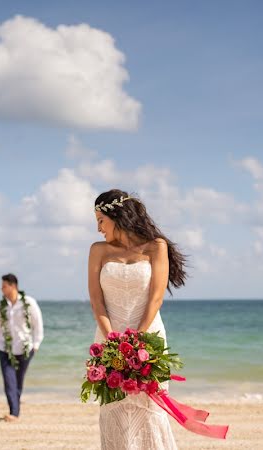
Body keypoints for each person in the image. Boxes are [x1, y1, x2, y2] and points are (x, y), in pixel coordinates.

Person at [88, 189, 187, 450]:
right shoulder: (98, 251)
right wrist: (111, 338)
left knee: (150, 407)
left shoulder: (156, 247)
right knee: (114, 406)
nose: (98, 228)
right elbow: (97, 300)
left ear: (117, 216)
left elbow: (156, 298)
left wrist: (137, 339)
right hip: (108, 336)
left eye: (101, 220)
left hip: (148, 336)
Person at [0, 273, 44, 422]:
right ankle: (14, 412)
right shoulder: (0, 306)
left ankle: (15, 410)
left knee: (18, 382)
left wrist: (36, 344)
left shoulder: (29, 303)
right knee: (9, 381)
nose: (2, 289)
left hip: (25, 349)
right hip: (4, 349)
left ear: (13, 286)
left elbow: (38, 324)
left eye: (4, 286)